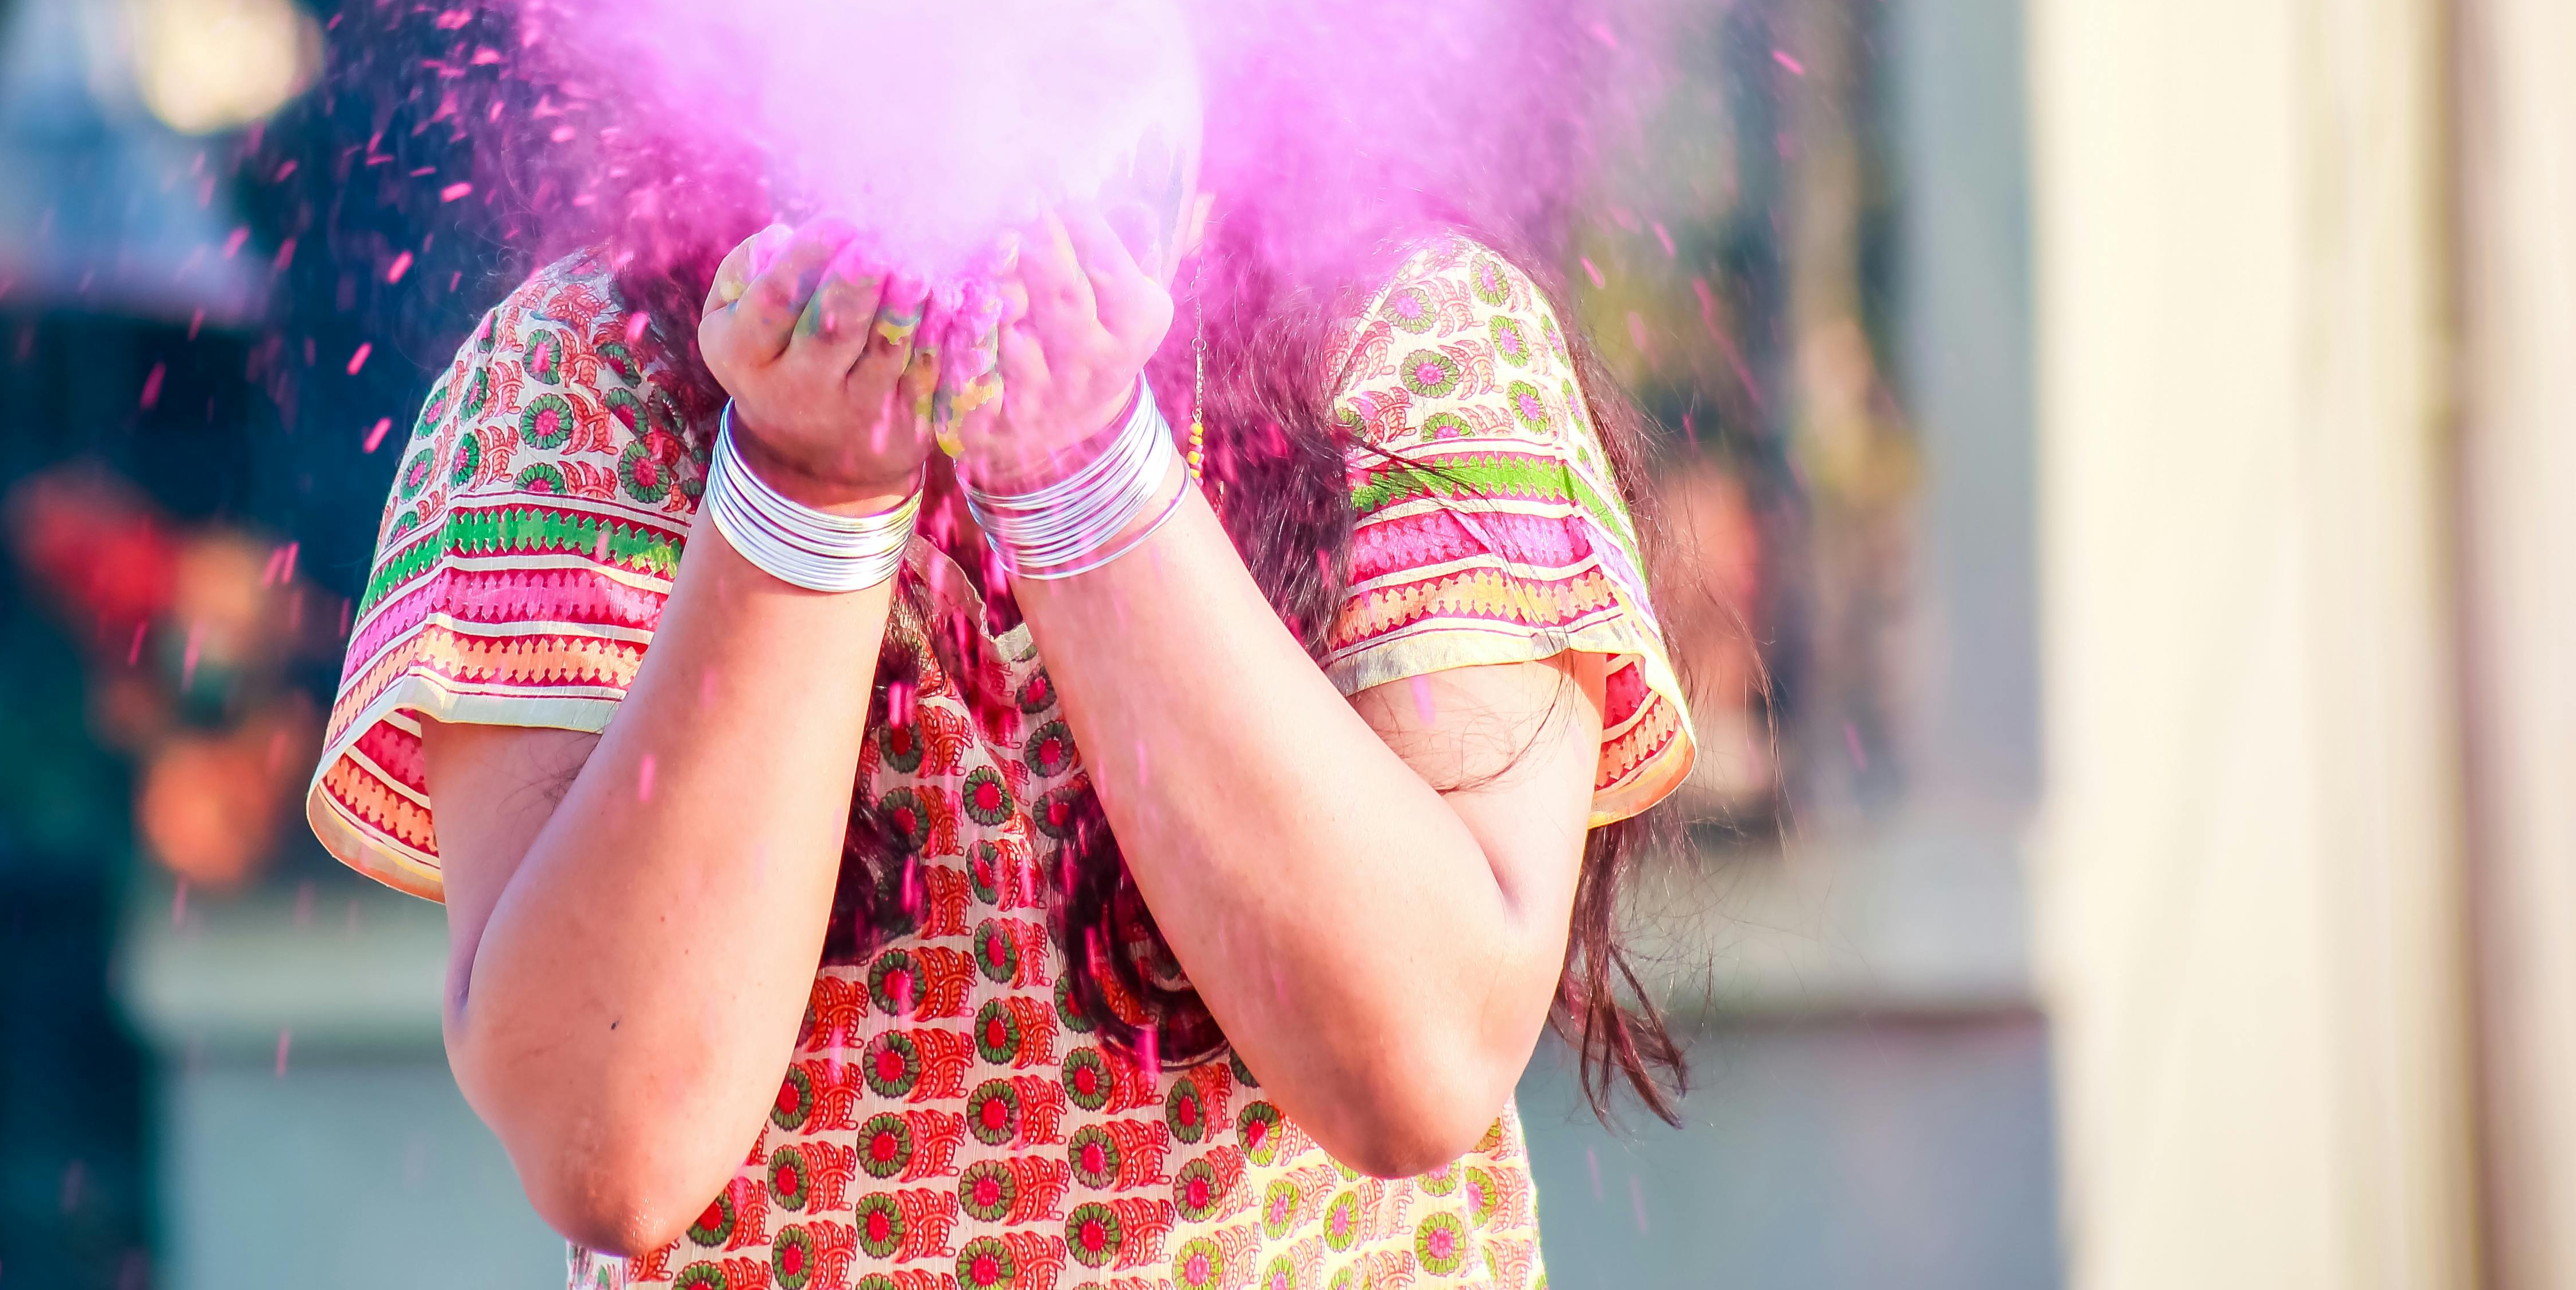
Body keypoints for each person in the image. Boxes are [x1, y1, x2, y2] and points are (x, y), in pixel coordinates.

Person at [305, 137, 1697, 1289]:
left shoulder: (1413, 328)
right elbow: (612, 1143)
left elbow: (1419, 1066)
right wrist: (799, 492)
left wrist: (1080, 464)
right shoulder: (578, 373)